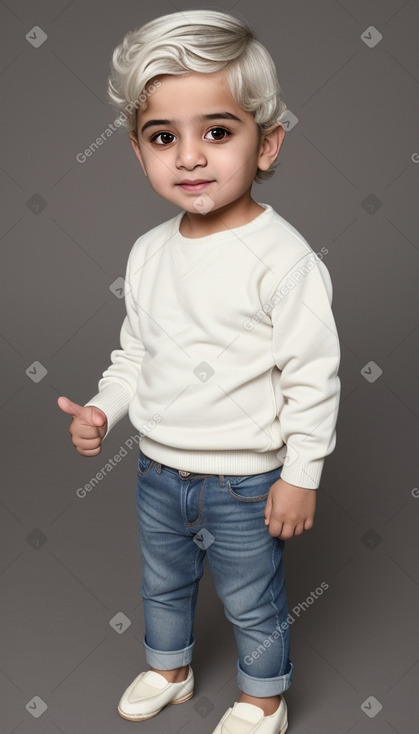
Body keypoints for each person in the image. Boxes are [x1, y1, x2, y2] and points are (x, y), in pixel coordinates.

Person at [58, 9, 341, 733]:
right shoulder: (148, 253)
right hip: (158, 470)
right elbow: (136, 354)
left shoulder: (285, 261)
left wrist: (300, 473)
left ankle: (262, 700)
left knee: (252, 596)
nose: (189, 156)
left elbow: (312, 377)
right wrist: (102, 410)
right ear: (138, 151)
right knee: (163, 584)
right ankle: (169, 668)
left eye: (216, 132)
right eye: (164, 137)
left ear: (267, 143)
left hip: (247, 481)